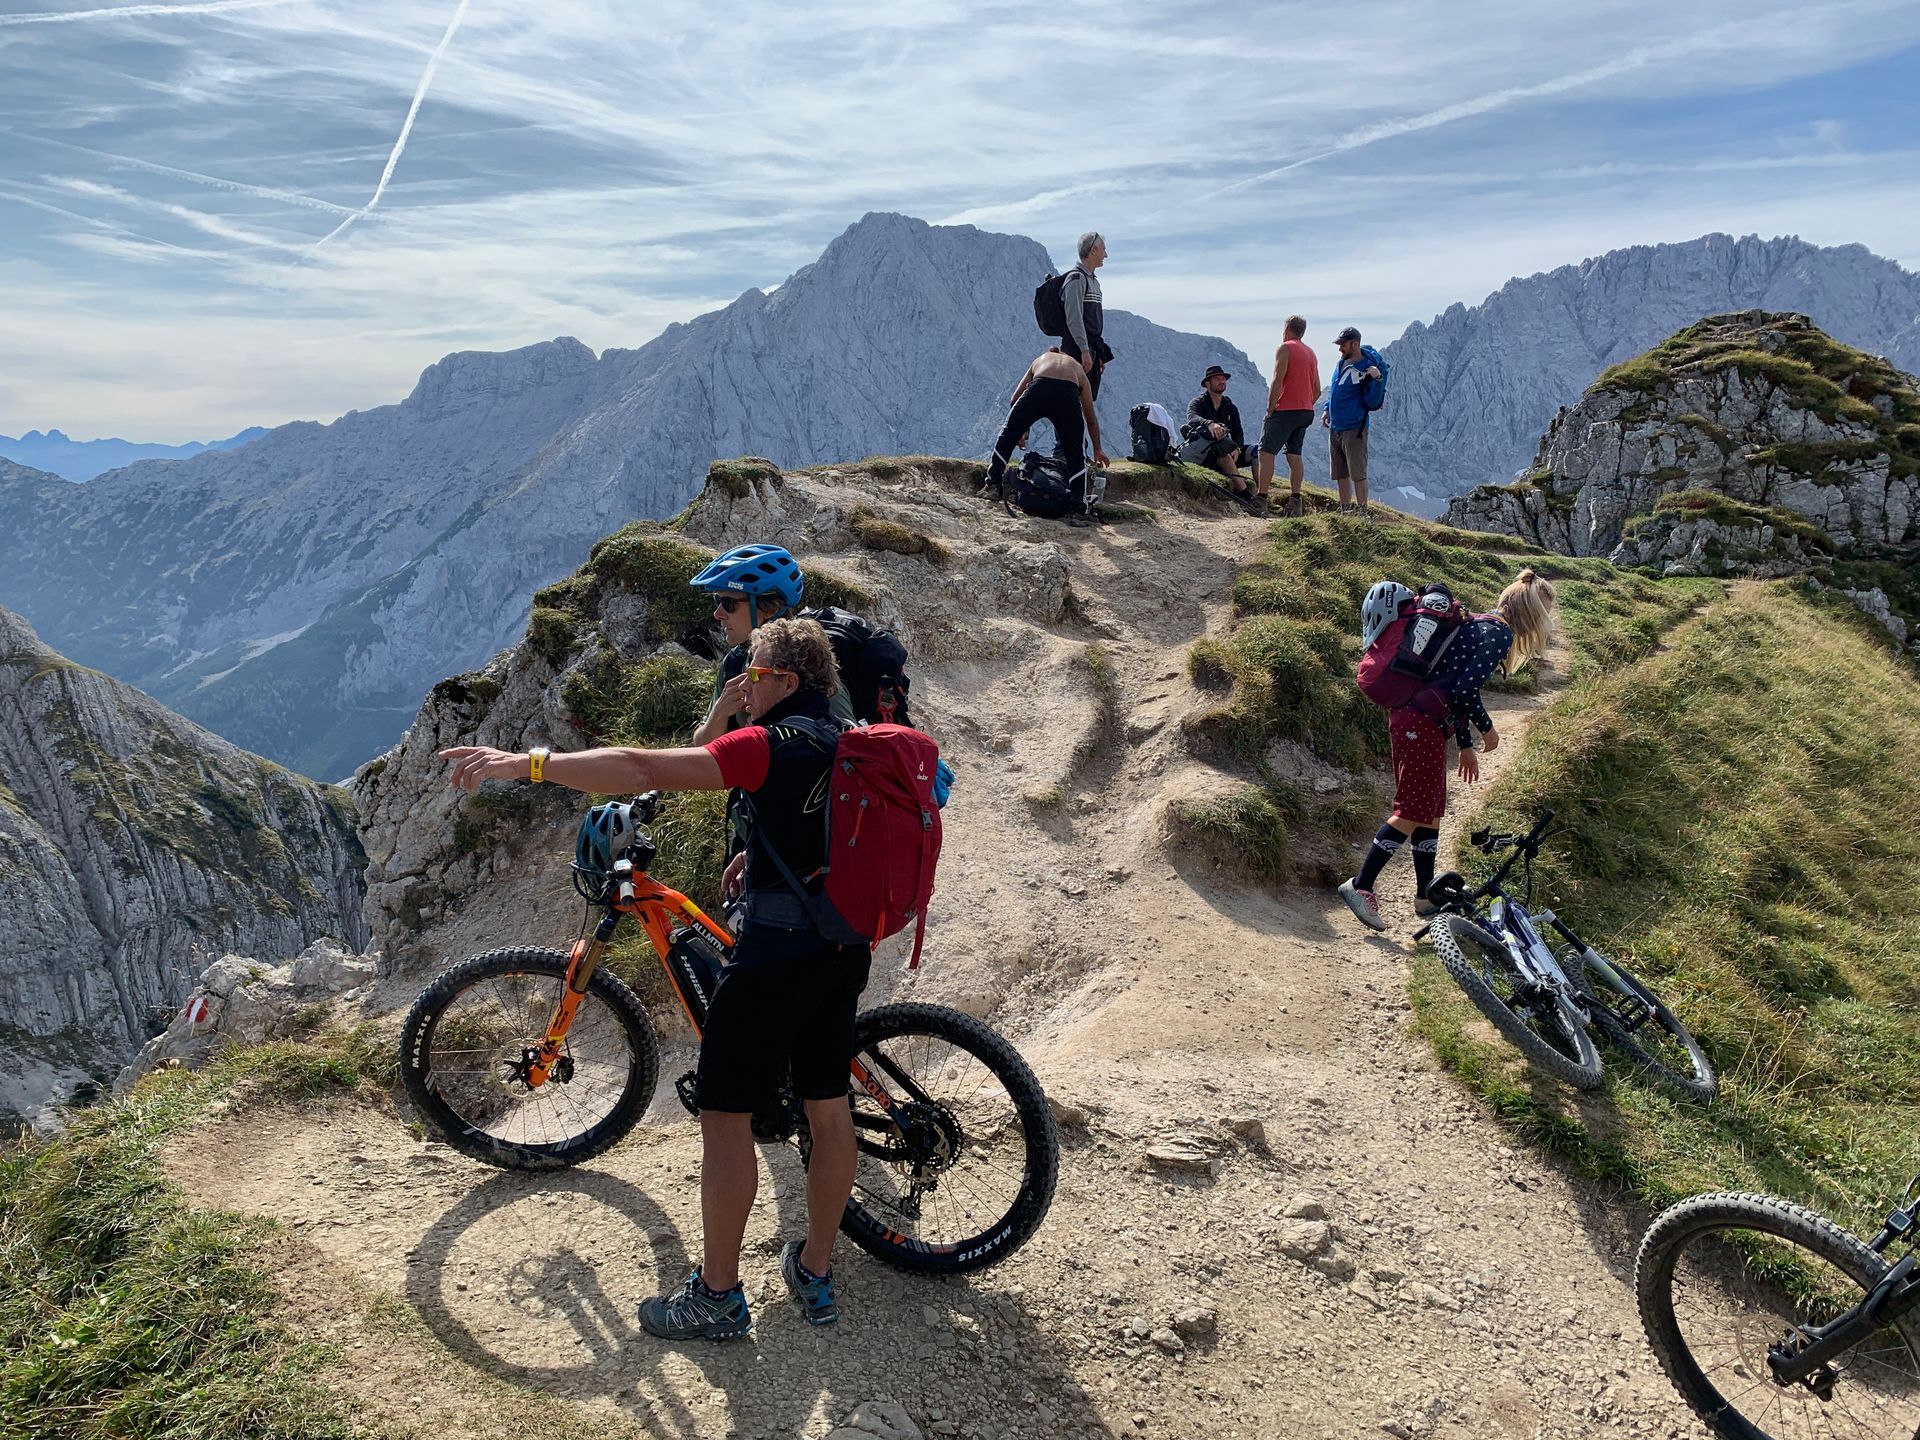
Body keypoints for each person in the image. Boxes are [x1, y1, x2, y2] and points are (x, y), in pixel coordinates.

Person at [441, 616, 868, 1340]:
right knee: (829, 1111)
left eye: (754, 672)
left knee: (726, 1120)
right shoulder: (842, 738)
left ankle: (717, 1297)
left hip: (775, 958)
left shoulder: (772, 743)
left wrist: (525, 763)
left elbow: (644, 769)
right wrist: (763, 858)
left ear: (788, 681)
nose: (743, 681)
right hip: (841, 945)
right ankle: (816, 1270)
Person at [1337, 569, 1558, 931]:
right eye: (1543, 615)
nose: (1544, 624)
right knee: (1412, 809)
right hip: (1420, 723)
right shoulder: (1499, 634)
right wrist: (1487, 730)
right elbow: (1463, 692)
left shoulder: (1483, 623)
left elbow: (1447, 684)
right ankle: (1361, 885)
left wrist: (1465, 744)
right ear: (1530, 614)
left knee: (1430, 811)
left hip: (1418, 720)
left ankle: (1426, 894)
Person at [979, 346, 1109, 517]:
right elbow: (1091, 420)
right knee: (1075, 453)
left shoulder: (1041, 359)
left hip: (1040, 387)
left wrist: (1022, 431)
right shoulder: (1077, 368)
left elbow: (1014, 399)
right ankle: (1078, 507)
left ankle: (992, 485)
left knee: (1007, 437)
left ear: (1052, 353)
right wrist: (1098, 450)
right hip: (1067, 393)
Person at [1259, 316, 1321, 518]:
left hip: (1286, 409)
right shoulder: (1311, 353)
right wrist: (1305, 403)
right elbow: (1317, 390)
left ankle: (1261, 499)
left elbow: (1278, 379)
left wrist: (1271, 408)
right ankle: (1295, 501)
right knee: (1294, 454)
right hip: (1305, 411)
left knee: (1266, 452)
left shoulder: (1285, 348)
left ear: (1286, 329)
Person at [1324, 326, 1388, 517]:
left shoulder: (1368, 368)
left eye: (1343, 344)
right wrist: (1327, 409)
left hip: (1354, 428)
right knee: (1340, 473)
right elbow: (1336, 390)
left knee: (1357, 473)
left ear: (1355, 343)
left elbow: (1373, 402)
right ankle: (1345, 510)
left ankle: (1362, 512)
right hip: (1336, 426)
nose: (1340, 348)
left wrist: (1377, 380)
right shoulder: (1341, 363)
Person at [1058, 232, 1112, 405]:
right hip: (1077, 351)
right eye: (1103, 249)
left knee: (1085, 402)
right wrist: (1084, 350)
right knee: (1071, 404)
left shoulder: (1094, 282)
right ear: (1093, 250)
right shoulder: (1076, 279)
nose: (1106, 254)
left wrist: (1099, 354)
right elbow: (1074, 318)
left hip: (1090, 350)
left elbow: (1092, 321)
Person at [1180, 365, 1251, 494]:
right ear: (1207, 383)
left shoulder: (1230, 407)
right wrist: (1209, 424)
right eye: (1217, 379)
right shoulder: (1198, 402)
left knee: (1256, 452)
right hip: (1206, 454)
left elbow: (1237, 432)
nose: (1222, 381)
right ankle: (1245, 495)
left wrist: (1238, 448)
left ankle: (1261, 497)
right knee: (1222, 451)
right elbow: (1192, 418)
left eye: (1223, 378)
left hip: (1230, 452)